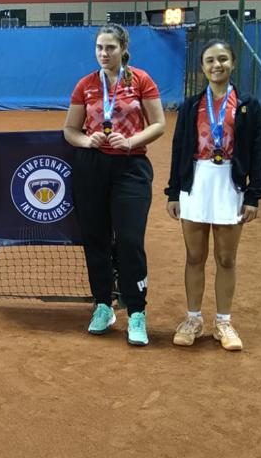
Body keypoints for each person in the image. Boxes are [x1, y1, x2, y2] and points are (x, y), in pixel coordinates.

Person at [63, 23, 166, 346]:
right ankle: (103, 305)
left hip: (131, 168)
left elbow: (159, 124)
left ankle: (136, 312)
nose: (104, 53)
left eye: (110, 47)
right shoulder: (85, 85)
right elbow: (70, 130)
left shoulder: (141, 80)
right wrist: (87, 140)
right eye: (99, 48)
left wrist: (131, 141)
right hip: (92, 169)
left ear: (123, 49)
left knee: (130, 240)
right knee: (96, 240)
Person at [164, 38, 261, 351]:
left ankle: (223, 322)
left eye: (222, 59)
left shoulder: (248, 105)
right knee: (195, 256)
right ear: (202, 67)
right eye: (209, 60)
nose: (216, 65)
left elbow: (258, 150)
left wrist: (253, 195)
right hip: (196, 184)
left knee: (226, 258)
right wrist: (173, 191)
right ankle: (193, 319)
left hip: (230, 186)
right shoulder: (191, 105)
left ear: (232, 63)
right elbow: (179, 149)